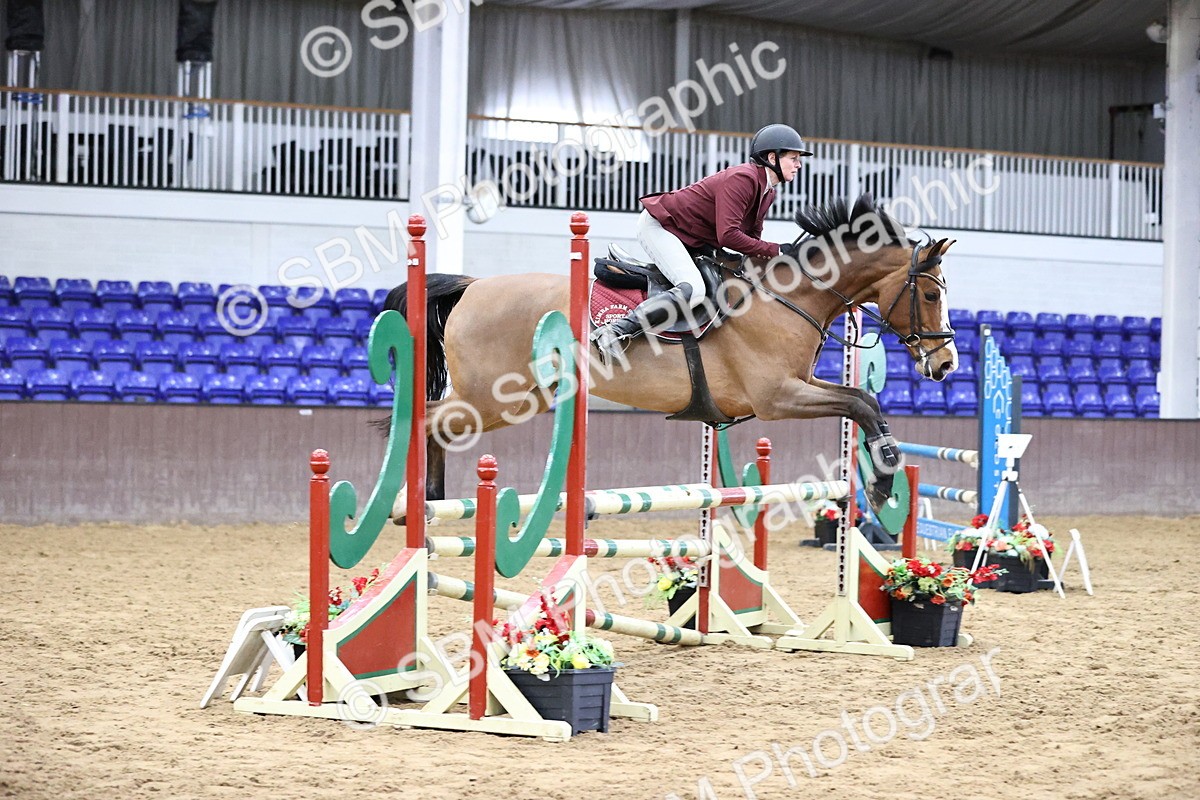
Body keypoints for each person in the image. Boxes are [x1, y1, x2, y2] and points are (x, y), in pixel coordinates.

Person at [589, 123, 813, 359]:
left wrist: (778, 259)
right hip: (662, 225)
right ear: (772, 157)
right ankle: (615, 331)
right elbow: (727, 236)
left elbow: (752, 238)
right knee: (693, 289)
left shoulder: (767, 191)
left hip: (692, 237)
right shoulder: (743, 178)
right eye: (794, 158)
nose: (799, 165)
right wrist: (777, 250)